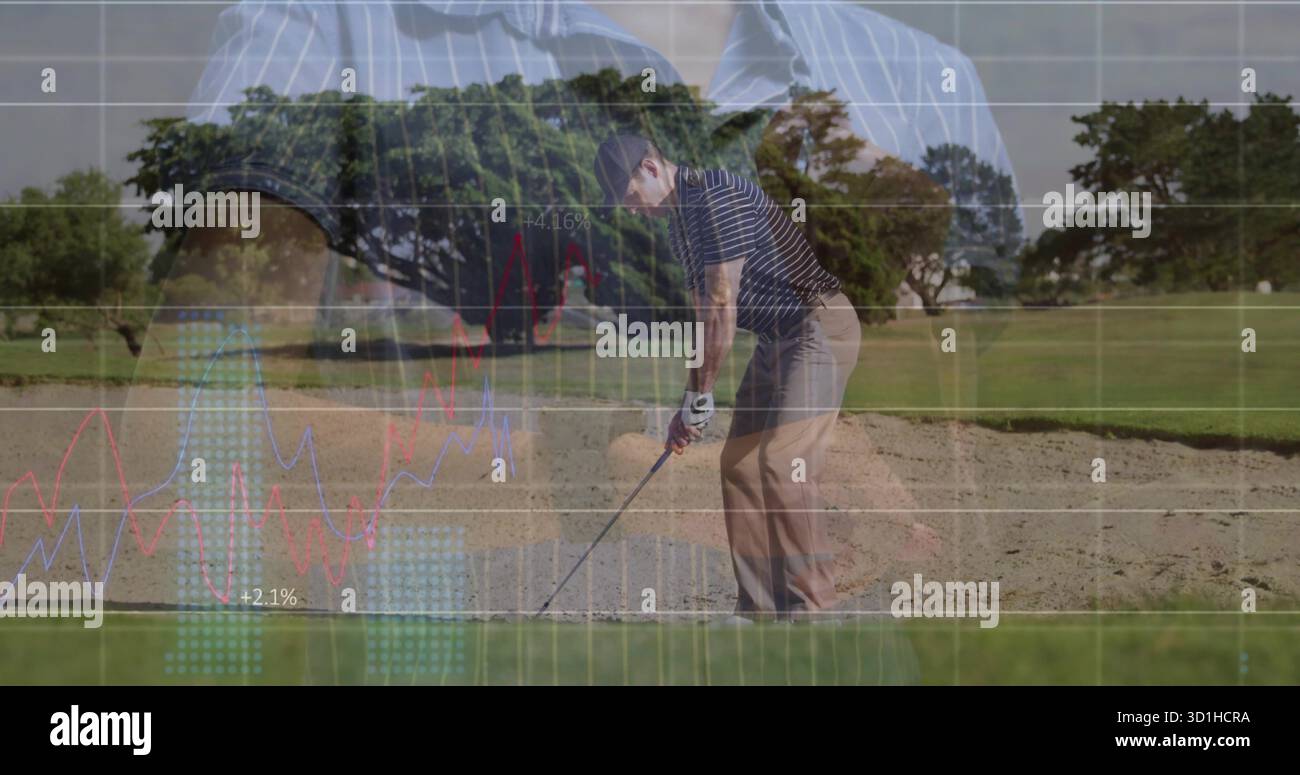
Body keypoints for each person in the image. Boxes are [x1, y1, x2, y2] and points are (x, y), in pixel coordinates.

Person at [595, 134, 860, 622]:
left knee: (782, 464)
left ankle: (814, 612)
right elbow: (705, 317)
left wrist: (702, 398)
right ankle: (758, 608)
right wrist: (690, 400)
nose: (630, 209)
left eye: (629, 196)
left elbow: (722, 303)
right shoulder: (680, 226)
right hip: (776, 339)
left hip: (819, 326)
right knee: (739, 463)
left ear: (650, 169)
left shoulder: (716, 198)